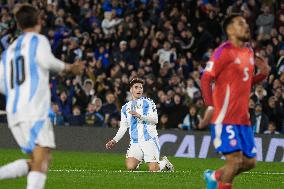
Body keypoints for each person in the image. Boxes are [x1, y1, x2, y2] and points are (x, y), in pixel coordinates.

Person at [0, 4, 83, 189]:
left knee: (39, 160)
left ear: (19, 25)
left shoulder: (9, 51)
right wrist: (71, 68)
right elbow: (48, 62)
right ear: (39, 21)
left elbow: (2, 84)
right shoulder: (38, 40)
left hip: (14, 113)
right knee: (41, 158)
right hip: (33, 110)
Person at [199, 14, 270, 189]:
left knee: (249, 162)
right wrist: (209, 106)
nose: (246, 26)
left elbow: (245, 82)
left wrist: (263, 74)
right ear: (230, 30)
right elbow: (205, 79)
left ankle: (214, 176)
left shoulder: (249, 52)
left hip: (243, 119)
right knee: (235, 160)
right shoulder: (223, 51)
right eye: (240, 23)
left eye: (246, 23)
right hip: (224, 117)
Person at [105, 78, 174, 172]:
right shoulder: (125, 107)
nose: (139, 89)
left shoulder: (149, 102)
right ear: (131, 90)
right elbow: (123, 126)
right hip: (135, 142)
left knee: (154, 169)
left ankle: (164, 163)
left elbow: (155, 120)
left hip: (149, 140)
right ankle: (139, 159)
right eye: (136, 87)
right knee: (130, 167)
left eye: (141, 87)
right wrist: (114, 140)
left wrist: (139, 115)